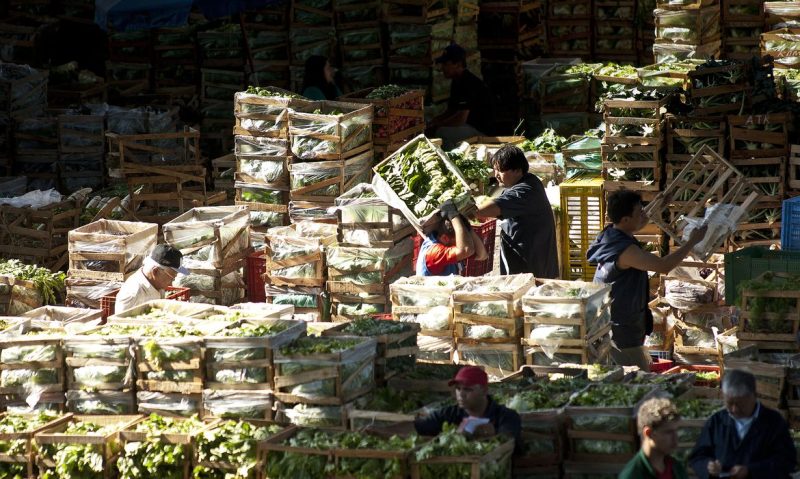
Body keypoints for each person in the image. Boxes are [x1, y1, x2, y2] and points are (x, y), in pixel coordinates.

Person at [586, 190, 708, 371]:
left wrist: (659, 206)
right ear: (626, 219)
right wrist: (691, 242)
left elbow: (639, 221)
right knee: (637, 379)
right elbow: (663, 266)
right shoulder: (626, 251)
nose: (644, 214)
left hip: (617, 320)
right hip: (621, 327)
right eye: (639, 211)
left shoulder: (611, 233)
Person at [688, 369, 796, 479]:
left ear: (753, 396)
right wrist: (708, 466)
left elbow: (787, 461)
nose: (734, 409)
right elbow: (697, 457)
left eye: (740, 404)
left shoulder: (773, 422)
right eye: (730, 403)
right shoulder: (716, 421)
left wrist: (751, 471)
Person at [473, 145, 558, 278]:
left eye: (500, 170)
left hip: (528, 264)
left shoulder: (525, 190)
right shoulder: (528, 181)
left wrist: (471, 211)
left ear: (517, 170)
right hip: (529, 258)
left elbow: (494, 206)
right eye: (495, 170)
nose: (496, 175)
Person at [414, 366, 522, 452]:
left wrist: (493, 434)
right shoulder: (448, 414)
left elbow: (508, 441)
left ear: (484, 390)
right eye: (458, 389)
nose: (461, 394)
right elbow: (419, 427)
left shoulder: (507, 416)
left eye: (467, 389)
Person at [426, 44, 495, 149]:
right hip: (466, 127)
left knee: (441, 132)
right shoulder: (456, 81)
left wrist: (438, 124)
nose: (442, 68)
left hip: (480, 131)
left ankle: (451, 159)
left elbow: (460, 118)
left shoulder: (468, 83)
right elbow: (451, 110)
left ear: (458, 64)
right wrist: (435, 120)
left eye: (445, 64)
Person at [619, 396, 689, 479]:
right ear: (648, 433)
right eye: (668, 432)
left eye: (676, 431)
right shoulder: (632, 475)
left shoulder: (677, 468)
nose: (675, 438)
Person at [417, 200, 488, 276]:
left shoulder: (448, 243)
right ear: (445, 238)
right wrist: (453, 215)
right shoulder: (434, 252)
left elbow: (482, 255)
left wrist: (468, 228)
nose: (464, 242)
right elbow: (466, 250)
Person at [114, 244, 188, 314]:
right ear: (155, 271)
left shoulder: (157, 284)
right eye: (172, 278)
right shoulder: (133, 294)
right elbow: (121, 323)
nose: (171, 283)